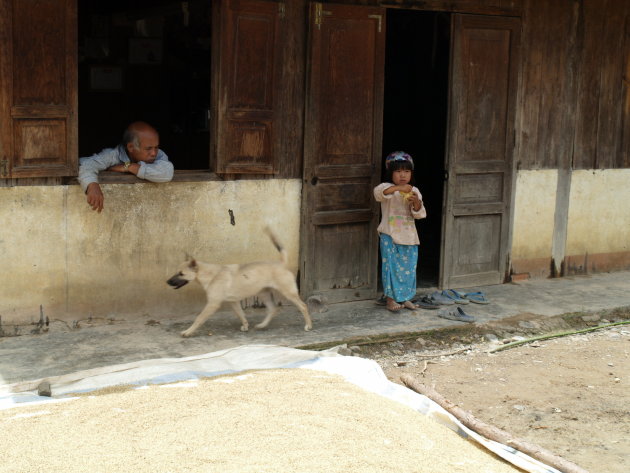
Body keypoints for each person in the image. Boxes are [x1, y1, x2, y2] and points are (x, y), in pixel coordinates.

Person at [78, 121, 174, 212]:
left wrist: (129, 167)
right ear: (131, 147)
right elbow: (87, 165)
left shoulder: (158, 154)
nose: (153, 153)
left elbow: (167, 172)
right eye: (148, 148)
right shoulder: (112, 155)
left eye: (156, 147)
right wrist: (92, 186)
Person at [373, 151, 427, 312]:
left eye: (407, 171)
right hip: (389, 235)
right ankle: (390, 300)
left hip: (409, 236)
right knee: (391, 268)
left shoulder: (414, 191)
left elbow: (419, 213)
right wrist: (399, 188)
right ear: (391, 172)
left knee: (409, 269)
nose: (403, 175)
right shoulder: (386, 187)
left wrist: (416, 201)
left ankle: (406, 298)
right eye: (398, 171)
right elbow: (379, 194)